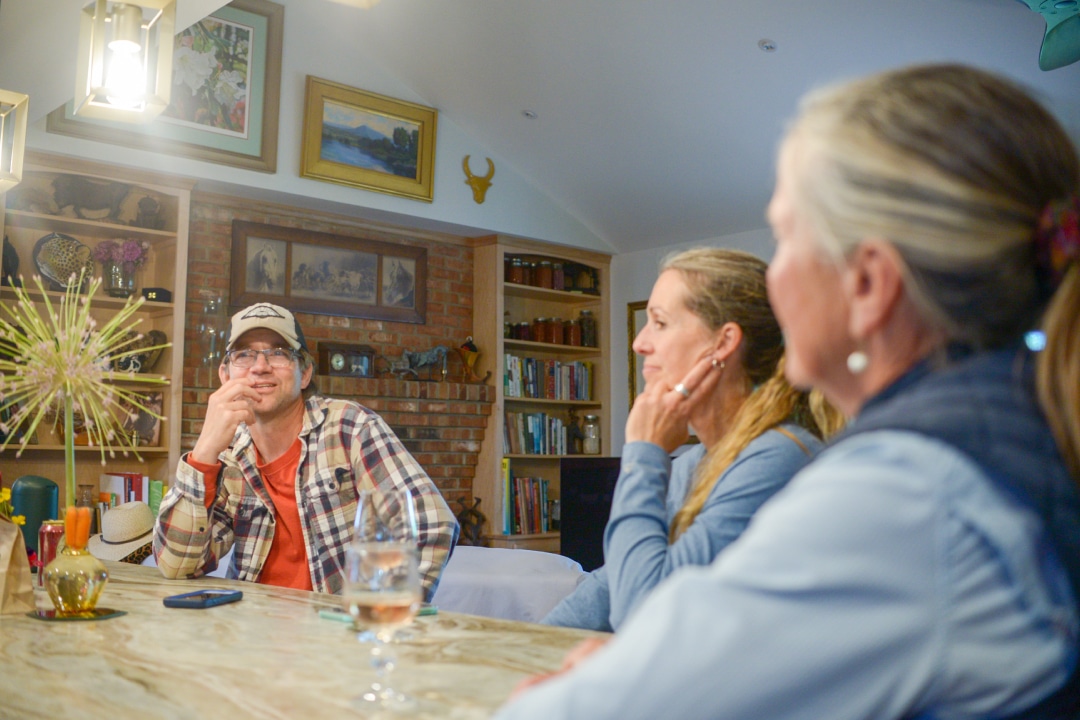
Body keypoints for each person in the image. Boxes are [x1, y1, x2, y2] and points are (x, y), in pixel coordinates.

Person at [497, 63, 1080, 719]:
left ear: (869, 284)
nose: (776, 280)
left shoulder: (906, 494)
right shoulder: (1007, 430)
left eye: (787, 237)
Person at [543, 248, 840, 631]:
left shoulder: (781, 458)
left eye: (660, 323)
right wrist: (515, 654)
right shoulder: (692, 464)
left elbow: (643, 614)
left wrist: (644, 452)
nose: (639, 343)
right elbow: (613, 582)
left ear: (722, 343)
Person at [153, 302, 459, 601]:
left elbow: (431, 525)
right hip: (247, 634)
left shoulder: (351, 428)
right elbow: (176, 565)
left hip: (333, 639)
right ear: (225, 376)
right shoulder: (227, 454)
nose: (260, 367)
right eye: (244, 355)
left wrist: (372, 618)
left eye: (278, 353)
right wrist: (204, 451)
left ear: (306, 373)